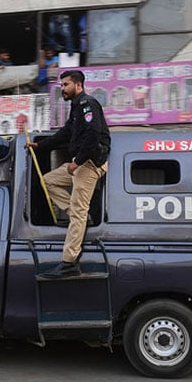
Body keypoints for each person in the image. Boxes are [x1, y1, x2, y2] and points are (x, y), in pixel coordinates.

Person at [25, 70, 110, 278]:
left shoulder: (87, 104)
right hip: (79, 162)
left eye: (65, 85)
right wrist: (39, 146)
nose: (62, 88)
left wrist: (78, 162)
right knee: (48, 182)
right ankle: (76, 217)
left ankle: (69, 262)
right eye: (61, 85)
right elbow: (64, 134)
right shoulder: (75, 109)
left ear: (78, 85)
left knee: (79, 212)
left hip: (89, 163)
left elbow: (93, 134)